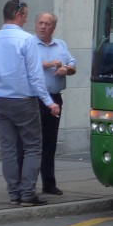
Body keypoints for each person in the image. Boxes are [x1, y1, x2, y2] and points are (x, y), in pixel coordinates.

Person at [0, 0, 60, 206]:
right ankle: (28, 193)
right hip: (23, 101)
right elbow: (35, 76)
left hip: (0, 100)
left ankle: (14, 193)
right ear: (18, 15)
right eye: (26, 16)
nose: (27, 21)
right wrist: (49, 102)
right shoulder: (26, 40)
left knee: (8, 148)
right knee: (32, 146)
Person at [31, 11, 76, 196]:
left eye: (47, 24)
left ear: (53, 27)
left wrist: (66, 69)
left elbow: (73, 66)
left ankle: (49, 183)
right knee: (33, 143)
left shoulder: (61, 45)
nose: (43, 26)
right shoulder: (29, 44)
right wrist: (48, 64)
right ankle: (28, 184)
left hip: (55, 99)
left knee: (50, 142)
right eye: (40, 22)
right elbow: (25, 66)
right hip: (34, 99)